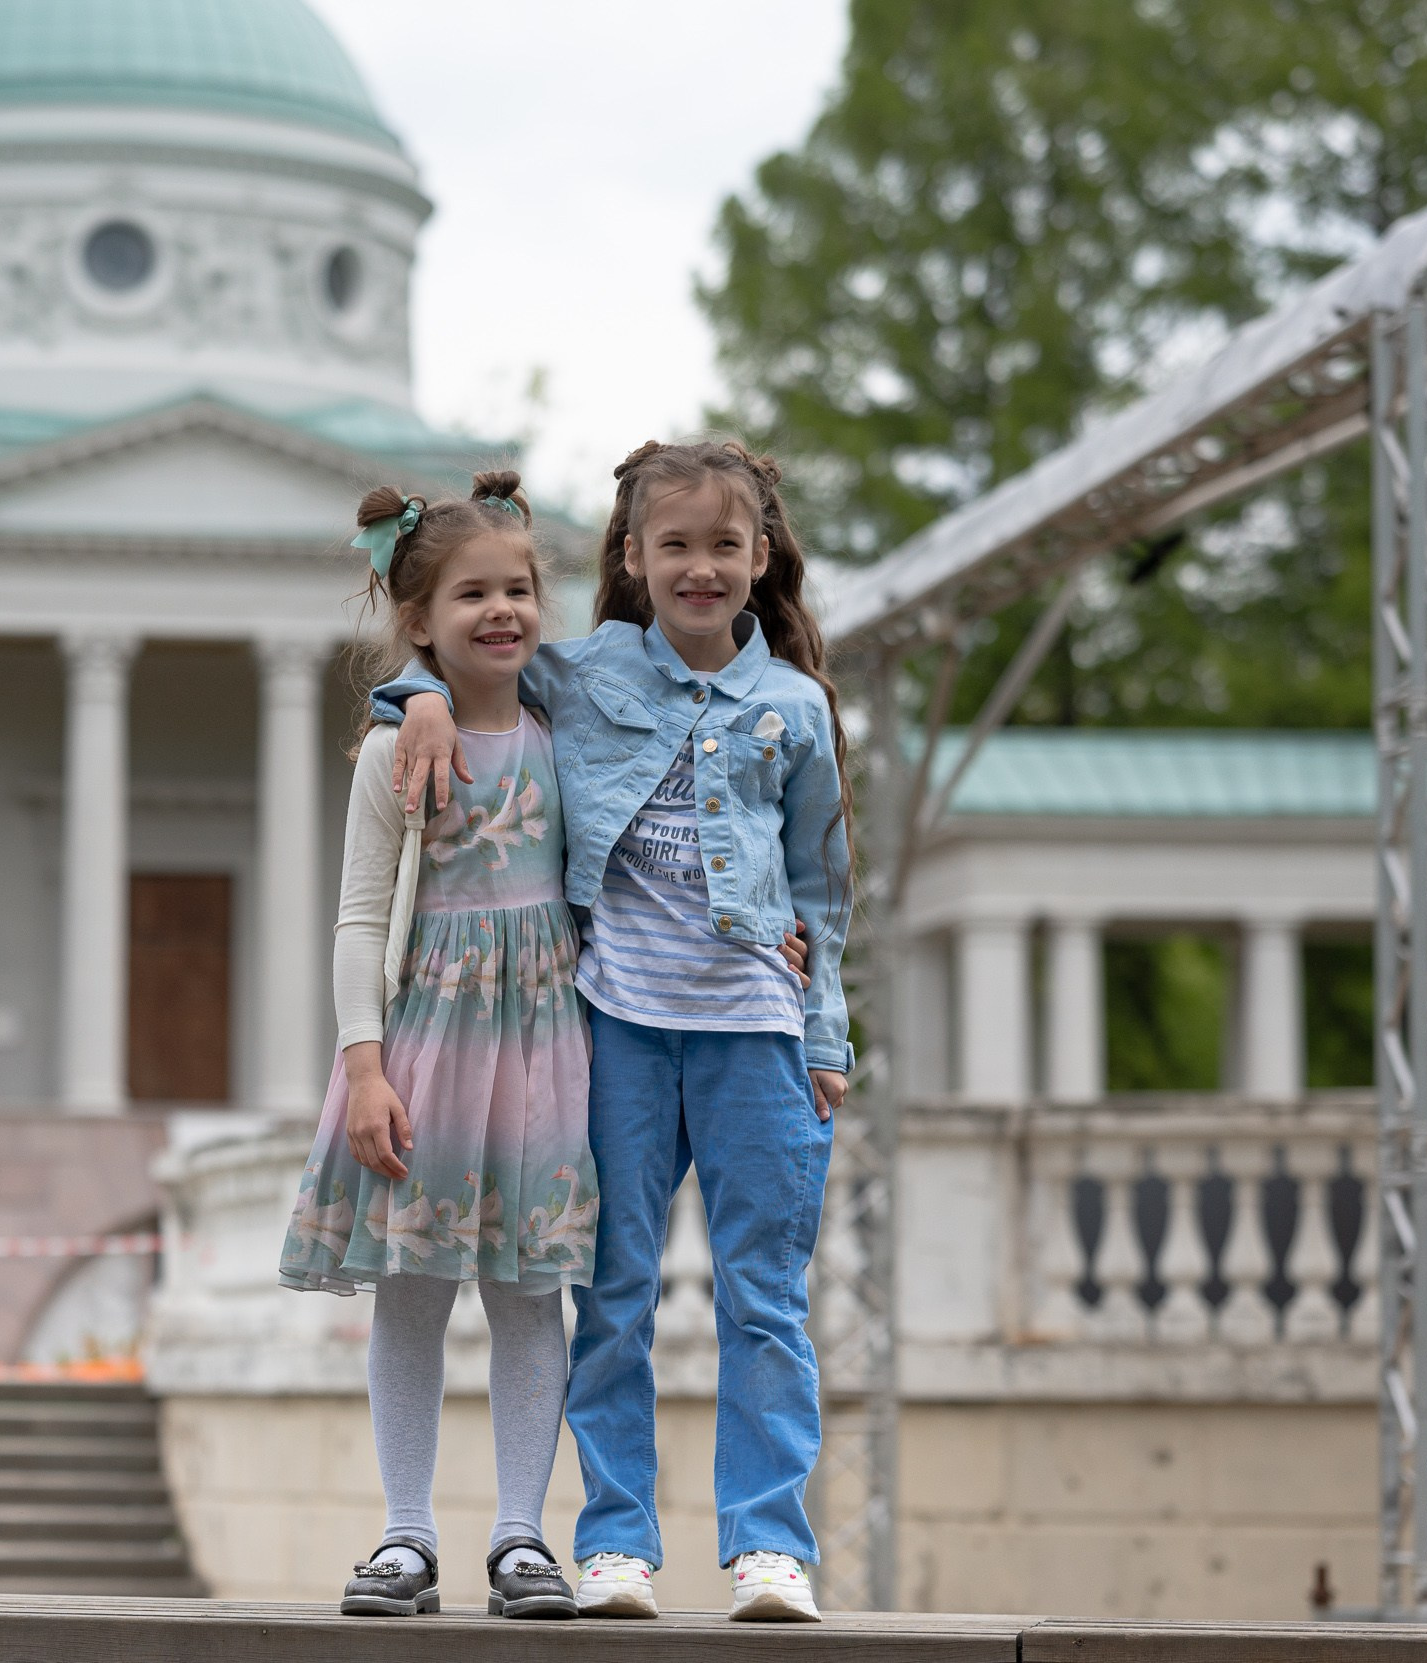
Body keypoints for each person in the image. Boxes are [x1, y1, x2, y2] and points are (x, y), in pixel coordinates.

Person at [373, 439, 851, 1623]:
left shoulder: (794, 705)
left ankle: (767, 1548)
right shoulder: (580, 675)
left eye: (723, 547)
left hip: (758, 1035)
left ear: (760, 559)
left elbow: (823, 884)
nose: (699, 567)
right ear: (632, 558)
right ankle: (618, 1544)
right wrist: (420, 698)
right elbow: (463, 662)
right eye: (674, 546)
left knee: (764, 1297)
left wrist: (827, 1033)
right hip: (616, 1034)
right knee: (616, 1294)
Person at [277, 472, 596, 1621]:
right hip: (424, 1047)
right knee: (410, 1291)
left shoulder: (569, 732)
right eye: (472, 594)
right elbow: (362, 913)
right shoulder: (394, 748)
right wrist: (363, 1063)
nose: (503, 610)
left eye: (519, 588)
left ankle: (522, 1533)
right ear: (418, 618)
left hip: (545, 1044)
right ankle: (405, 1534)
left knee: (529, 1293)